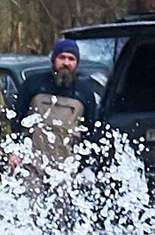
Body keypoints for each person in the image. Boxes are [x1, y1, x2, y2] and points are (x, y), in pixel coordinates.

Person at [13, 38, 103, 171]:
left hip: (68, 167)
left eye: (71, 59)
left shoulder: (84, 91)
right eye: (62, 57)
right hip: (31, 163)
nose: (66, 63)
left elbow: (91, 131)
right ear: (54, 59)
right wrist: (14, 152)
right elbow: (16, 119)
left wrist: (86, 167)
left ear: (77, 63)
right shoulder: (33, 84)